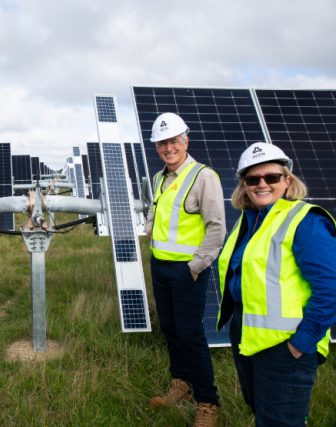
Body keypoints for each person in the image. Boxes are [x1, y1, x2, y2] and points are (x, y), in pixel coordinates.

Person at [216, 142, 336, 426]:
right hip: (247, 332)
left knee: (280, 421)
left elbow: (331, 288)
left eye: (271, 177)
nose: (261, 184)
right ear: (244, 185)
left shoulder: (305, 221)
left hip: (286, 344)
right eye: (252, 179)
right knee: (261, 410)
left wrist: (300, 344)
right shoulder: (249, 220)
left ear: (287, 180)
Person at [145, 113, 225, 426]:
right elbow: (155, 208)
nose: (168, 147)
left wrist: (195, 267)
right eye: (162, 143)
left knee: (191, 335)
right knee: (170, 327)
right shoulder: (159, 177)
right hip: (159, 265)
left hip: (187, 270)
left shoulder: (204, 176)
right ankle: (182, 383)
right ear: (157, 147)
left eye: (173, 141)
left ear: (185, 141)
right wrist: (150, 227)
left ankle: (208, 403)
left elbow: (216, 227)